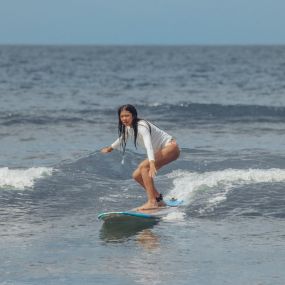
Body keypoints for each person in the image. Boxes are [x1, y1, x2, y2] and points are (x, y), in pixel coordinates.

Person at [101, 104, 180, 211]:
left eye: (127, 115)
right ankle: (158, 199)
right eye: (122, 116)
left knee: (144, 167)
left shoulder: (141, 127)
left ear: (133, 115)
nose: (124, 118)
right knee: (137, 175)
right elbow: (122, 137)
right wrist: (110, 148)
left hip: (171, 148)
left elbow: (149, 146)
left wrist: (151, 164)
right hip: (165, 150)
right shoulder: (128, 128)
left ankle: (152, 202)